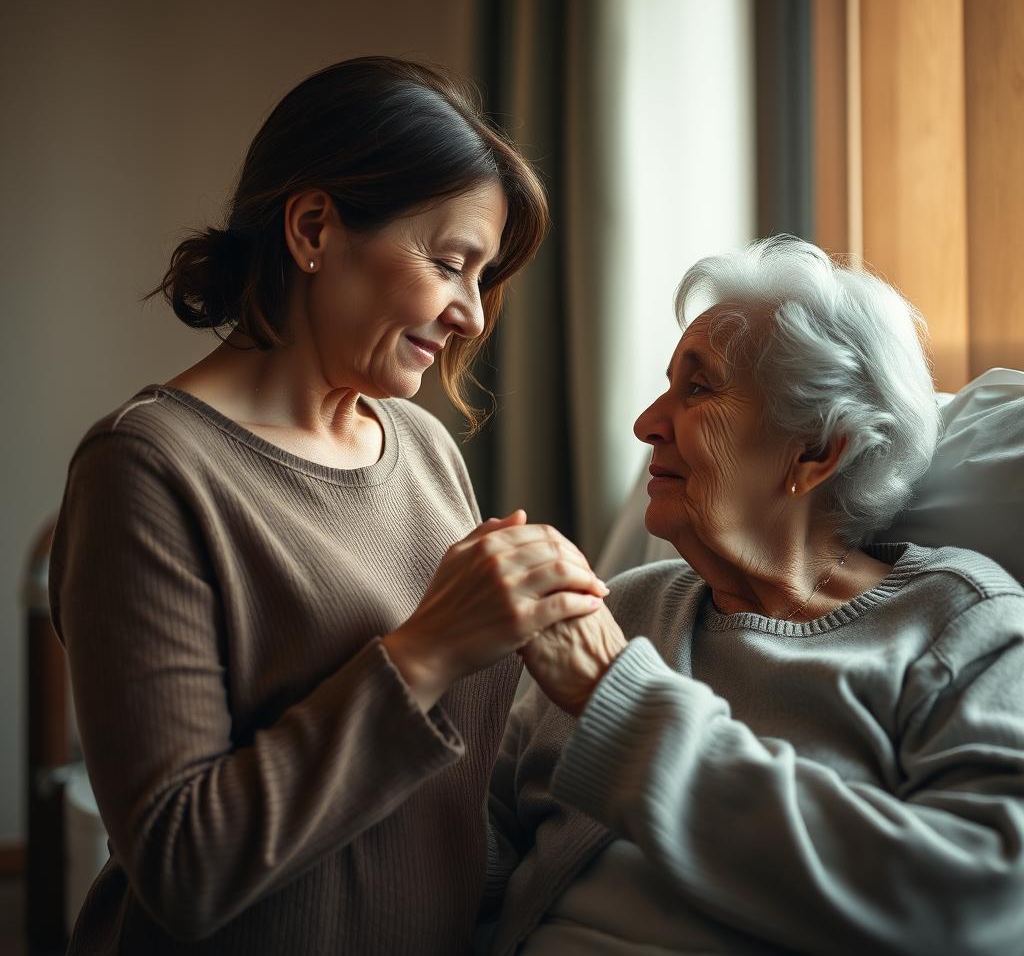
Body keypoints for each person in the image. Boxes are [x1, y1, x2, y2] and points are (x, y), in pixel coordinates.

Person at [48, 56, 609, 955]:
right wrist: (424, 652)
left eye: (483, 276)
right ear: (313, 228)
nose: (472, 313)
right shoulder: (146, 470)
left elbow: (464, 788)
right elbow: (181, 864)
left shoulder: (421, 447)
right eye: (451, 262)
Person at [484, 236, 1024, 955]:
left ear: (815, 449)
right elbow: (474, 858)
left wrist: (620, 701)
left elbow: (979, 905)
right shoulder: (621, 607)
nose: (647, 423)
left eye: (697, 388)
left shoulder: (960, 627)